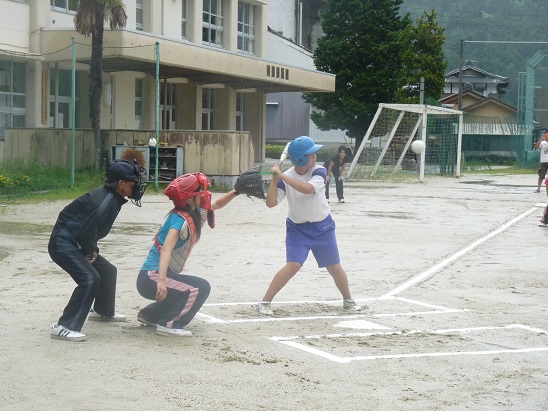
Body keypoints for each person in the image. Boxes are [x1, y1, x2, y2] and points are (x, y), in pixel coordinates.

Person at [256, 136, 362, 316]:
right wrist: (275, 179)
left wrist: (282, 176)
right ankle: (265, 302)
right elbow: (271, 203)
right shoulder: (285, 177)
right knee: (293, 265)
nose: (315, 156)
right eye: (311, 155)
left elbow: (308, 189)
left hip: (323, 227)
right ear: (301, 159)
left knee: (334, 267)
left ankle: (348, 301)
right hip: (298, 229)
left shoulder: (318, 171)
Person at [49, 159, 147, 342]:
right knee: (89, 278)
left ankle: (102, 310)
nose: (136, 186)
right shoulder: (105, 201)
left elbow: (89, 229)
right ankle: (64, 326)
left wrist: (90, 248)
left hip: (75, 242)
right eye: (133, 182)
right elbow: (86, 231)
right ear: (121, 184)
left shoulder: (112, 198)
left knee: (108, 271)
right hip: (63, 244)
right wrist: (89, 250)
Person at [136, 172, 238, 336]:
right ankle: (169, 324)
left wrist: (236, 191)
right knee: (199, 288)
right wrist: (161, 281)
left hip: (154, 276)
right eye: (200, 191)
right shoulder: (178, 219)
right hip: (151, 277)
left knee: (187, 289)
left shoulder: (192, 211)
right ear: (190, 198)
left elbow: (217, 204)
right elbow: (166, 249)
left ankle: (151, 315)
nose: (204, 194)